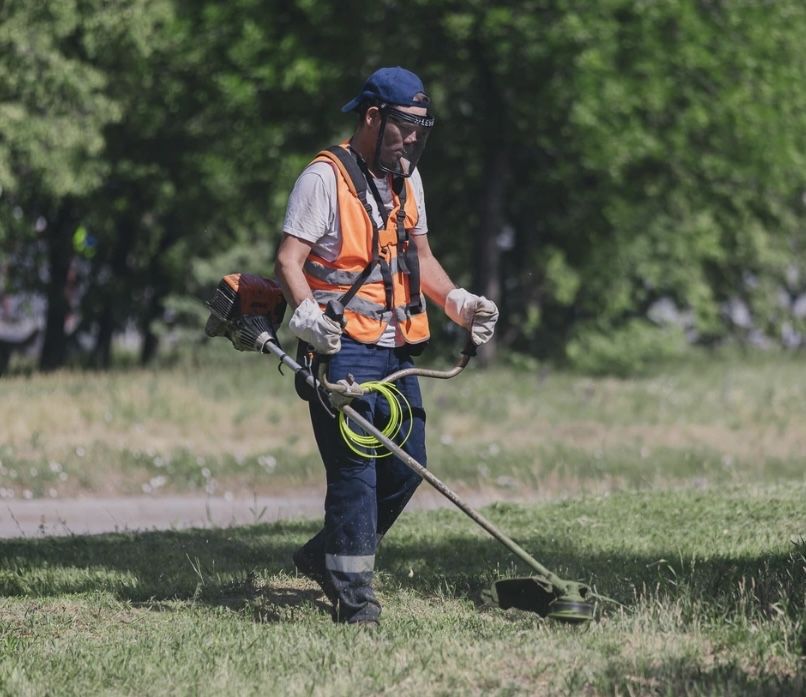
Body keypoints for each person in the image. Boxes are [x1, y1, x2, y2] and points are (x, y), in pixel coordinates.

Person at [274, 66, 498, 626]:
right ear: (373, 118)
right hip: (337, 349)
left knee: (408, 465)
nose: (415, 139)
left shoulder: (407, 180)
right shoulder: (323, 179)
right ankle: (356, 602)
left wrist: (460, 304)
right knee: (355, 471)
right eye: (406, 128)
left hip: (396, 352)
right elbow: (287, 261)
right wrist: (306, 317)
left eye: (423, 128)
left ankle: (324, 557)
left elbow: (420, 260)